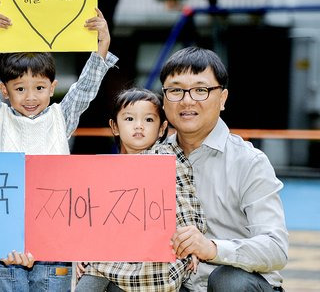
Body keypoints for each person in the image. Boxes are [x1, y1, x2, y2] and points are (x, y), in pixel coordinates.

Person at [0, 2, 118, 291]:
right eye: (20, 88)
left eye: (39, 88)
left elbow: (86, 88)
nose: (30, 97)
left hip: (55, 240)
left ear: (52, 87)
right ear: (5, 90)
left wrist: (102, 44)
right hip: (5, 241)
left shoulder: (60, 117)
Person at [160, 47, 289, 291]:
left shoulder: (249, 162)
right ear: (164, 99)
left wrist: (213, 249)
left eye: (201, 90)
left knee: (228, 281)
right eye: (176, 90)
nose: (187, 100)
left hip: (239, 284)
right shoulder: (151, 159)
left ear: (222, 99)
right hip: (177, 284)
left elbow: (276, 248)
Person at [75, 88, 207, 291]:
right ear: (115, 126)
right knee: (87, 279)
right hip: (112, 252)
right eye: (129, 119)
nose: (138, 126)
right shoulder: (106, 170)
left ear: (162, 128)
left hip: (156, 252)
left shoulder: (166, 158)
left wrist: (191, 244)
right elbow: (93, 217)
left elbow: (184, 202)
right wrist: (84, 249)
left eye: (148, 120)